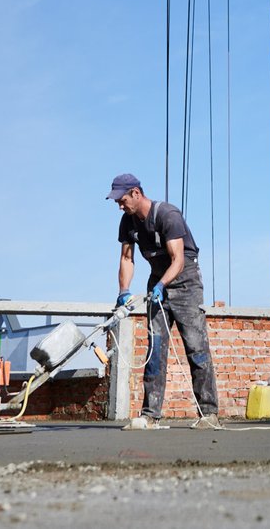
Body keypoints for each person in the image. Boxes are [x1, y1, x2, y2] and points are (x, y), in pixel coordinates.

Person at [107, 172, 222, 430]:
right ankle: (150, 416)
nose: (120, 205)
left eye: (122, 200)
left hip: (185, 283)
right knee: (155, 349)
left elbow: (178, 259)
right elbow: (127, 258)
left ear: (136, 193)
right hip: (158, 280)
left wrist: (162, 285)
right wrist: (123, 291)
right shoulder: (127, 222)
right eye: (117, 202)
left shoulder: (168, 215)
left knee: (195, 346)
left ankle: (209, 414)